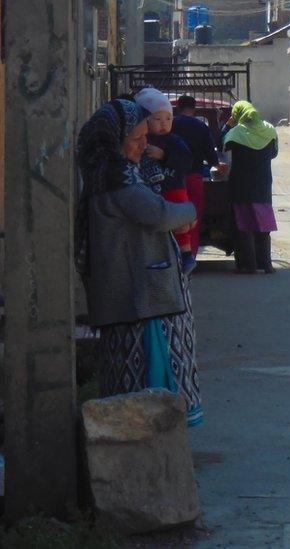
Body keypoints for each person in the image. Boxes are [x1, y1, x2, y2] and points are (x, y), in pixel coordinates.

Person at [75, 99, 203, 426]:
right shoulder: (117, 180)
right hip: (138, 301)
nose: (145, 144)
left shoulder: (114, 175)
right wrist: (187, 213)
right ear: (113, 141)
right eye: (136, 138)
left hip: (135, 296)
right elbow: (159, 214)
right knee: (146, 383)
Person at [134, 87, 197, 274]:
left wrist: (164, 155)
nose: (163, 124)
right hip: (149, 191)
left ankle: (186, 254)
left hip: (173, 188)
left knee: (180, 222)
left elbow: (187, 162)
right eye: (158, 119)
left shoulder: (174, 140)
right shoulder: (139, 139)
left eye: (168, 119)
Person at [221, 100, 279, 274]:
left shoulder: (237, 132)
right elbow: (274, 153)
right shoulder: (269, 129)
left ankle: (248, 266)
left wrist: (228, 124)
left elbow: (222, 142)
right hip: (262, 184)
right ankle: (266, 265)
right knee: (263, 226)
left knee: (244, 226)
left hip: (242, 185)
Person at [172, 95, 225, 261]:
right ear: (194, 109)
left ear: (178, 108)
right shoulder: (201, 126)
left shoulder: (169, 124)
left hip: (172, 179)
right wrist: (215, 164)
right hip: (194, 177)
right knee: (193, 219)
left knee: (172, 218)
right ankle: (190, 256)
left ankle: (174, 256)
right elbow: (212, 156)